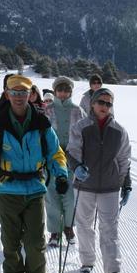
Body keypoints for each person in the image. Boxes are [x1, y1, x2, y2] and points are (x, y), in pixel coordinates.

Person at [0, 75, 69, 273]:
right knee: (11, 243)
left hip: (36, 190)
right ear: (7, 94)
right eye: (14, 92)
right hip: (8, 190)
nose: (19, 97)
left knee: (35, 242)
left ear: (30, 94)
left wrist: (60, 174)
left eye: (23, 92)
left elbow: (55, 153)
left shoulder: (41, 123)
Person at [66, 87, 132, 273]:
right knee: (84, 225)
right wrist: (76, 167)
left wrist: (125, 184)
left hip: (110, 187)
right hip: (84, 185)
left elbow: (124, 159)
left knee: (110, 228)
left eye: (108, 103)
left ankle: (113, 271)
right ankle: (87, 260)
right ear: (93, 103)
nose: (105, 106)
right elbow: (72, 152)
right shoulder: (80, 127)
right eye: (101, 102)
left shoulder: (119, 130)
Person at [43, 76, 85, 248]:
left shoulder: (78, 110)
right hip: (51, 158)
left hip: (72, 158)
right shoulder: (47, 110)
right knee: (51, 195)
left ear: (70, 92)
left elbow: (84, 134)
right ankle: (54, 231)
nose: (63, 93)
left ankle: (69, 227)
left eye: (66, 90)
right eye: (59, 90)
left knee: (69, 196)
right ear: (55, 91)